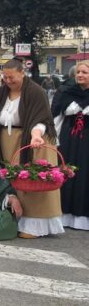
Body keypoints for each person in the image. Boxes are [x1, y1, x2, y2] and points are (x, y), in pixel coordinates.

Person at [0, 58, 62, 238]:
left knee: (30, 180)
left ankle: (36, 225)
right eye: (5, 77)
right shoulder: (0, 93)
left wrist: (35, 135)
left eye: (12, 77)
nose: (8, 81)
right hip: (6, 140)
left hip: (33, 140)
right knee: (13, 181)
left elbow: (42, 119)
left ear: (22, 73)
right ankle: (15, 219)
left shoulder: (36, 92)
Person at [51, 60, 89, 231]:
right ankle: (63, 213)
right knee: (66, 171)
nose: (80, 75)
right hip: (68, 137)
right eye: (78, 72)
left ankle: (82, 216)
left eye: (85, 73)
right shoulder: (66, 90)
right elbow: (54, 114)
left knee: (84, 174)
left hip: (86, 138)